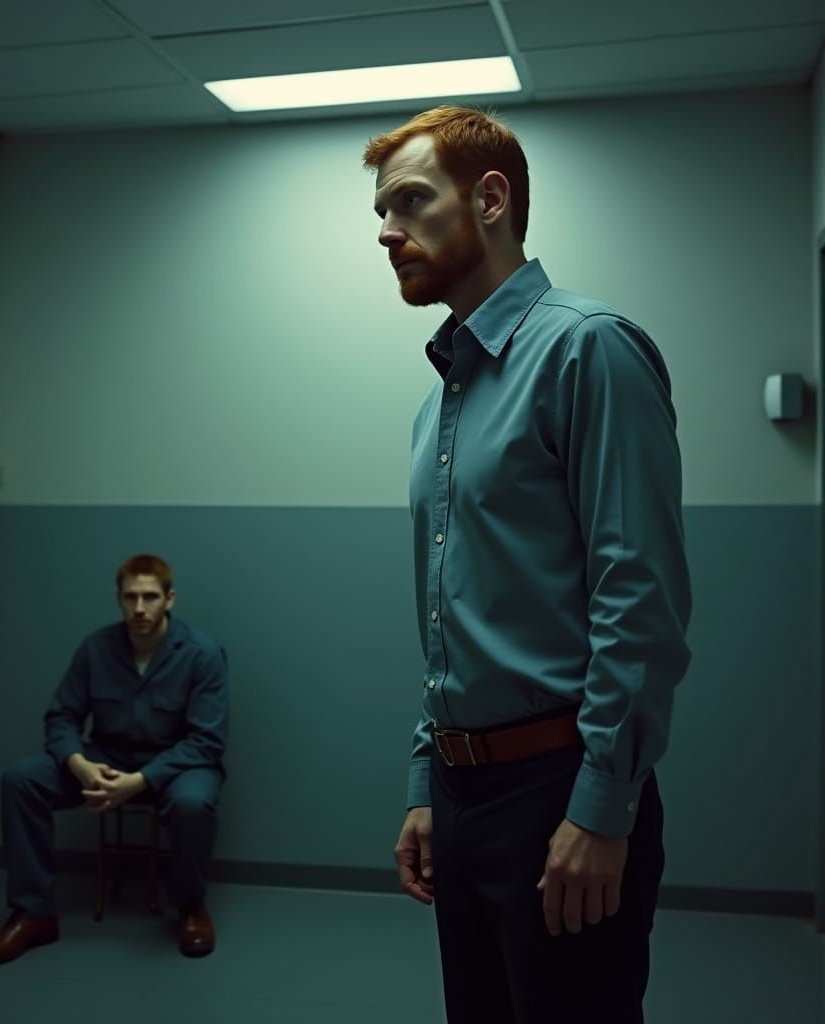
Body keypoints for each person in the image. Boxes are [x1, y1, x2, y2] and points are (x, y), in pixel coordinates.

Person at [362, 106, 691, 1023]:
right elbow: (449, 619)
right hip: (465, 794)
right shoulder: (441, 404)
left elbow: (640, 596)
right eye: (380, 214)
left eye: (411, 202)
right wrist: (432, 784)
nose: (386, 232)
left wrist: (602, 807)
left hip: (562, 790)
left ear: (492, 199)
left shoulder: (590, 348)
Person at [0, 553, 228, 965]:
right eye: (130, 597)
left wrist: (140, 780)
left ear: (170, 599)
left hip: (178, 765)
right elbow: (62, 717)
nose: (139, 608)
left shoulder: (203, 653)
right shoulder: (96, 648)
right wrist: (79, 764)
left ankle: (190, 907)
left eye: (150, 597)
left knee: (192, 803)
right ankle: (33, 913)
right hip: (104, 758)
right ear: (118, 599)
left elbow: (206, 741)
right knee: (21, 778)